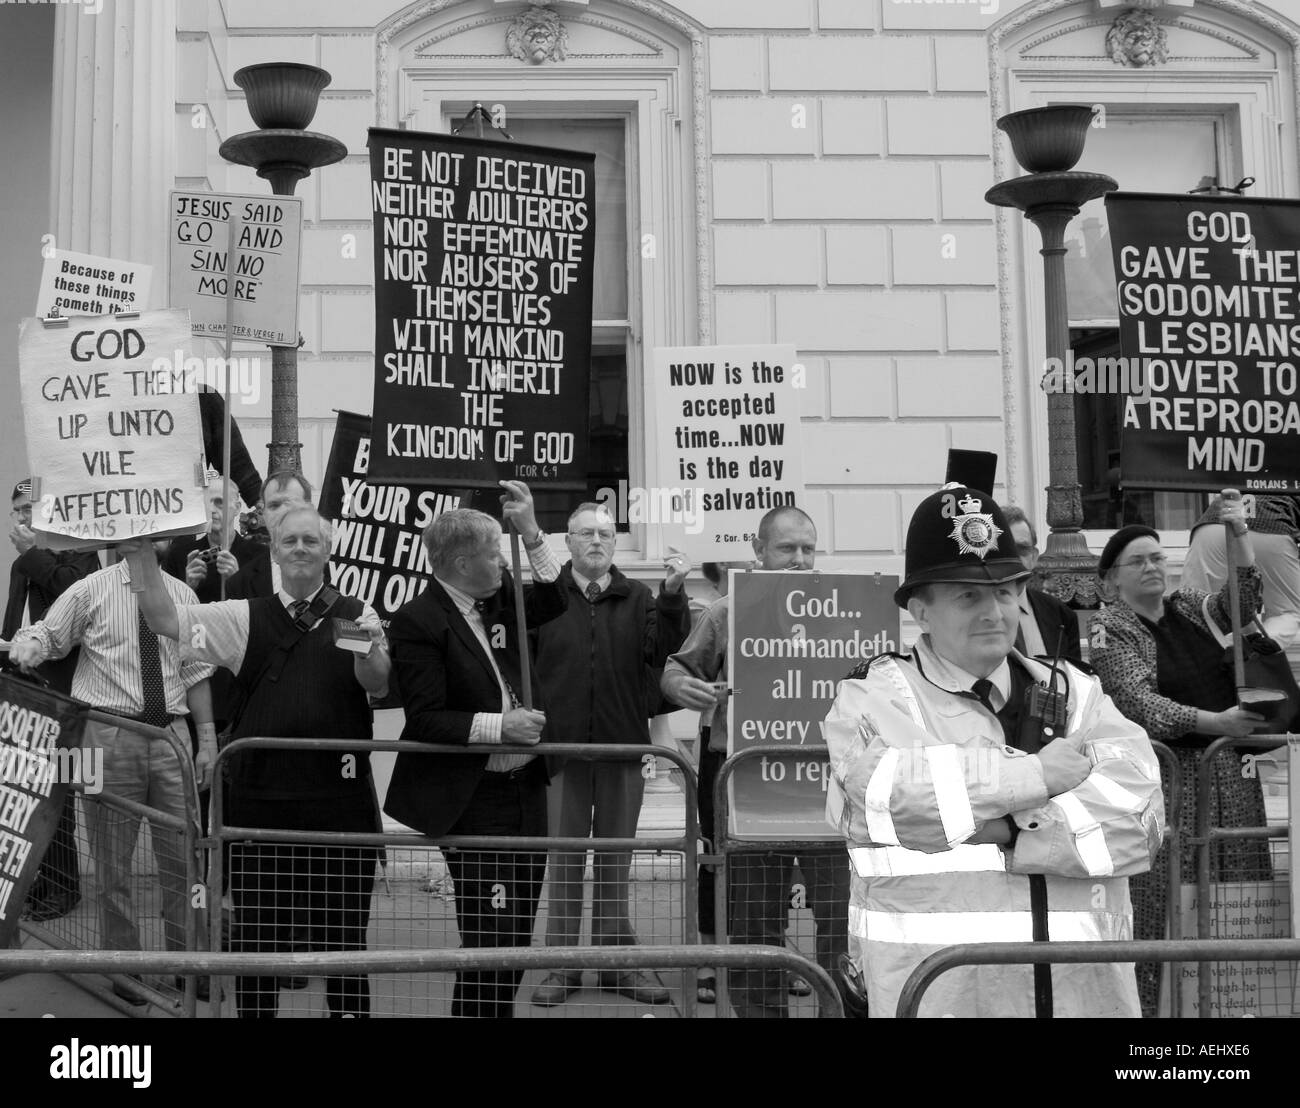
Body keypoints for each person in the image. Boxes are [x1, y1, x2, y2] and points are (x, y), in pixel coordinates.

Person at [823, 484, 1164, 1018]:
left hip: (1084, 996)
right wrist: (1036, 775)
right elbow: (890, 800)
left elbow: (1138, 817)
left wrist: (1006, 828)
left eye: (1005, 592)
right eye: (968, 596)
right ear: (920, 611)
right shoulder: (875, 695)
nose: (993, 612)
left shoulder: (1078, 692)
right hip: (942, 995)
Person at [126, 504, 390, 1018]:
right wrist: (140, 559)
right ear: (274, 550)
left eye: (310, 541)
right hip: (260, 808)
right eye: (289, 541)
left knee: (344, 943)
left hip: (339, 810)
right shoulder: (244, 617)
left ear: (327, 550)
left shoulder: (352, 614)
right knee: (258, 937)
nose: (299, 550)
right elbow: (163, 618)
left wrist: (368, 651)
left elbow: (376, 682)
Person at [384, 482, 566, 1018]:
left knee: (515, 930)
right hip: (474, 797)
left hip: (526, 788)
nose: (502, 564)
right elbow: (426, 718)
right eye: (494, 553)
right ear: (463, 563)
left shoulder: (500, 600)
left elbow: (555, 598)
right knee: (491, 929)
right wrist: (501, 727)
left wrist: (530, 531)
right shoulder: (419, 620)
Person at [661, 506, 849, 1018]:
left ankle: (842, 1007)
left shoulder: (844, 606)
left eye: (808, 549)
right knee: (754, 919)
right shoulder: (727, 610)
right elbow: (674, 673)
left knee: (840, 916)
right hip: (747, 784)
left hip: (826, 785)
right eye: (787, 549)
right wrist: (689, 689)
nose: (799, 560)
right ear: (759, 551)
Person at [10, 543, 216, 1003]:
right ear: (120, 536)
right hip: (106, 739)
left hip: (172, 741)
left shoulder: (184, 596)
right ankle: (128, 973)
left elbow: (198, 671)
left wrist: (207, 740)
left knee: (186, 865)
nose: (148, 538)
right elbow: (49, 635)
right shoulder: (90, 591)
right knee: (111, 868)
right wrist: (29, 644)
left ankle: (189, 966)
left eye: (157, 531)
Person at [1088, 492, 1269, 1017]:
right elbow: (1136, 702)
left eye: (1155, 556)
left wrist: (1237, 533)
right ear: (1111, 579)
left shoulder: (1188, 606)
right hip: (1169, 782)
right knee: (1164, 904)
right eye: (1136, 561)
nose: (1151, 566)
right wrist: (1216, 723)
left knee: (1234, 897)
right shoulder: (1109, 626)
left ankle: (1232, 1013)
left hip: (1228, 776)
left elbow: (1244, 600)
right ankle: (1156, 1017)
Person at [528, 503, 690, 1007]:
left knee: (617, 861)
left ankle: (617, 960)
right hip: (560, 749)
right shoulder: (546, 599)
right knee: (565, 861)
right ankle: (561, 966)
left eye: (604, 533)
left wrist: (672, 596)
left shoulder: (638, 596)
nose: (595, 541)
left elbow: (668, 652)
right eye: (584, 534)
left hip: (621, 745)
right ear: (568, 543)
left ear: (614, 545)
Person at [3, 478, 100, 922]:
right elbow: (16, 621)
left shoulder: (76, 550)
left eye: (32, 509)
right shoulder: (25, 563)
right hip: (26, 692)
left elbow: (73, 596)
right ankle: (41, 878)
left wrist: (32, 554)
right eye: (18, 509)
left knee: (60, 793)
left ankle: (65, 886)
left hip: (65, 698)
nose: (24, 517)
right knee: (30, 792)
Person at [1180, 493, 1300, 647]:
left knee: (1194, 610)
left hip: (1213, 524)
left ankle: (1207, 659)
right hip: (1271, 527)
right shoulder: (1289, 478)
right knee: (1286, 612)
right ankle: (1258, 653)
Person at [1001, 505, 1082, 663]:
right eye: (1004, 550)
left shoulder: (1062, 616)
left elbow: (1074, 681)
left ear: (1033, 557)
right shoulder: (973, 614)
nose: (1014, 559)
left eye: (1021, 549)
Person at [162, 485, 260, 604]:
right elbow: (168, 612)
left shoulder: (260, 556)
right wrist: (187, 588)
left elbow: (266, 611)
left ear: (237, 507)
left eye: (219, 502)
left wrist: (237, 583)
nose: (212, 509)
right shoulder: (178, 555)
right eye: (207, 502)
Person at [225, 471, 314, 601]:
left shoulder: (336, 569)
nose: (282, 512)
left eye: (291, 504)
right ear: (264, 514)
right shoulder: (239, 583)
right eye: (274, 505)